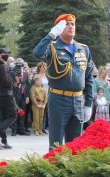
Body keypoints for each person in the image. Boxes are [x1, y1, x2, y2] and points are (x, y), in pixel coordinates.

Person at [33, 13, 94, 150]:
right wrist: (51, 35)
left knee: (76, 146)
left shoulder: (83, 49)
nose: (71, 26)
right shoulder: (52, 47)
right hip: (59, 99)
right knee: (56, 145)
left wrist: (88, 103)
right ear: (59, 28)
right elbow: (37, 53)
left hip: (78, 100)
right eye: (66, 24)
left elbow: (89, 77)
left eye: (72, 24)